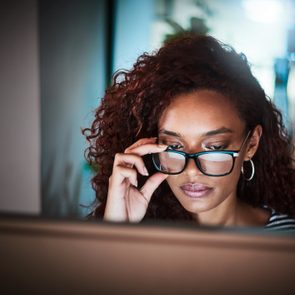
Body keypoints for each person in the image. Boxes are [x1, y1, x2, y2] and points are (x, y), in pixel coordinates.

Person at [83, 34, 295, 231]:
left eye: (214, 147)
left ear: (251, 145)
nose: (191, 171)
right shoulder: (135, 231)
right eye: (174, 146)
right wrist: (118, 231)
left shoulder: (286, 239)